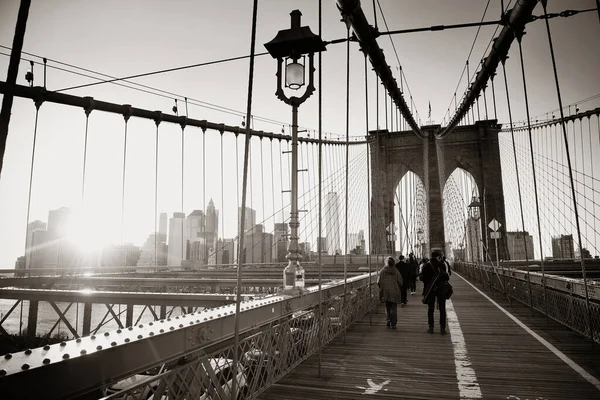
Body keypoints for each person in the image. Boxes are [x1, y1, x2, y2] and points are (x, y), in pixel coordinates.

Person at [421, 251, 450, 335]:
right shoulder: (441, 265)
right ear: (438, 257)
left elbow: (423, 278)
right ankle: (442, 328)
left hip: (430, 290)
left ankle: (431, 328)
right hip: (441, 289)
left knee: (430, 309)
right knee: (442, 309)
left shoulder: (426, 265)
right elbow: (446, 277)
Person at [378, 256, 403, 329]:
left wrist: (381, 289)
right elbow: (400, 282)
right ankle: (393, 324)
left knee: (387, 307)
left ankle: (388, 319)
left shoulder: (382, 271)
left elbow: (379, 282)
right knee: (394, 308)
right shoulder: (396, 271)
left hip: (386, 291)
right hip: (394, 291)